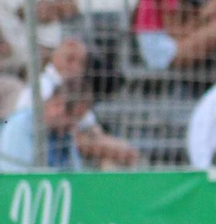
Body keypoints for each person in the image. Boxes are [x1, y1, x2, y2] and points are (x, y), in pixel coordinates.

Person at [12, 37, 137, 169]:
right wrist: (106, 147)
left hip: (61, 152)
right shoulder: (40, 88)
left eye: (81, 62)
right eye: (70, 59)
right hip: (36, 155)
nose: (75, 66)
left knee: (111, 155)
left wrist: (117, 147)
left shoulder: (75, 89)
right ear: (55, 58)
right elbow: (67, 131)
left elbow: (93, 130)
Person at [0, 77, 94, 172]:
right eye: (73, 117)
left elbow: (75, 172)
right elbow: (16, 174)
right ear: (57, 105)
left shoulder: (63, 134)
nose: (74, 125)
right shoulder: (21, 125)